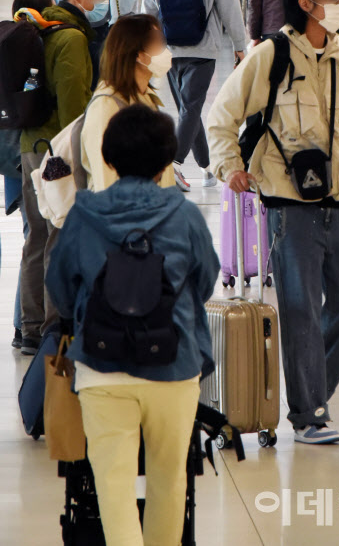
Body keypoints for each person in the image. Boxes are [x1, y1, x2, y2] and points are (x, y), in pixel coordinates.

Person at [207, 0, 339, 444]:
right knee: (301, 309)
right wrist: (230, 168)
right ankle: (308, 415)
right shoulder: (272, 55)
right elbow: (221, 116)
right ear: (307, 4)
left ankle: (313, 393)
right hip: (290, 207)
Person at [46, 103, 220, 546]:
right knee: (169, 483)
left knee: (114, 488)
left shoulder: (84, 213)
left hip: (102, 369)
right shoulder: (183, 215)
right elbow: (204, 280)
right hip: (174, 365)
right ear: (167, 160)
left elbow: (60, 288)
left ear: (107, 157)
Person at [19, 0, 108, 354]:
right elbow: (74, 104)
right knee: (58, 235)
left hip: (30, 145)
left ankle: (30, 327)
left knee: (36, 235)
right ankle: (54, 329)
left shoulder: (42, 28)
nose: (103, 2)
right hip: (56, 150)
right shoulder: (70, 38)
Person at [143, 0, 246, 193]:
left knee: (190, 107)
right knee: (191, 107)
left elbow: (148, 10)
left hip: (169, 49)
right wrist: (240, 46)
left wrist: (149, 47)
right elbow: (230, 8)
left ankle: (206, 167)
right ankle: (172, 165)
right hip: (204, 49)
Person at [81, 14, 176, 192]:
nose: (165, 49)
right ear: (138, 54)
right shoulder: (106, 106)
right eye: (158, 41)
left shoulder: (146, 98)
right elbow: (106, 182)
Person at [8, 0, 54, 351]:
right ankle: (30, 327)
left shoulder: (10, 46)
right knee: (39, 236)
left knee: (31, 236)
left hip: (12, 156)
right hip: (32, 152)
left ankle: (23, 328)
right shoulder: (37, 48)